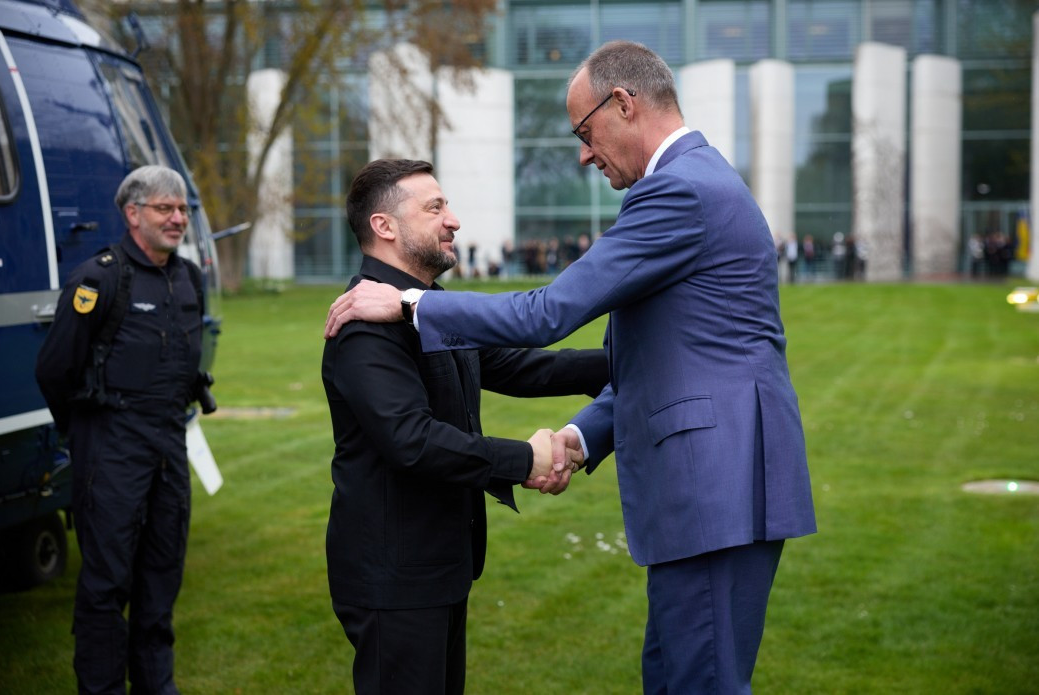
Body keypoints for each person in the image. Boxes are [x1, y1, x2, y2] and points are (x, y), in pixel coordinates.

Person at [325, 41, 817, 694]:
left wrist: (411, 302)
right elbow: (648, 363)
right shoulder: (691, 184)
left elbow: (546, 314)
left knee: (699, 681)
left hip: (716, 493)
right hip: (708, 494)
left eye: (584, 133)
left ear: (623, 102)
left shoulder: (679, 191)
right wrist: (579, 439)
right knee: (675, 678)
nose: (584, 154)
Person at [322, 158, 608, 695]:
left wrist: (631, 360)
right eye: (435, 208)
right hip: (395, 576)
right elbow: (412, 440)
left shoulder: (422, 308)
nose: (453, 220)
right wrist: (525, 461)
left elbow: (520, 366)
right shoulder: (363, 323)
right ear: (384, 226)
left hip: (438, 568)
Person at [35, 165, 206, 694]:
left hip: (168, 450)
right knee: (106, 588)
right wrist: (87, 433)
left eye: (182, 210)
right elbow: (54, 370)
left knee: (161, 581)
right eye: (164, 208)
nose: (177, 219)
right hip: (110, 451)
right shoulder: (99, 278)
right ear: (132, 214)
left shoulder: (187, 278)